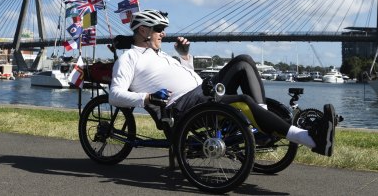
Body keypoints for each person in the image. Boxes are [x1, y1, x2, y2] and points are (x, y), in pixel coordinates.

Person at [109, 9, 337, 157]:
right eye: (159, 29)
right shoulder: (129, 58)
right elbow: (115, 94)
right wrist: (146, 98)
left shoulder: (163, 55)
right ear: (142, 30)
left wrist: (185, 55)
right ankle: (308, 138)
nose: (163, 33)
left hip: (199, 94)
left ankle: (263, 124)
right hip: (181, 108)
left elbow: (191, 79)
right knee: (242, 83)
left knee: (244, 63)